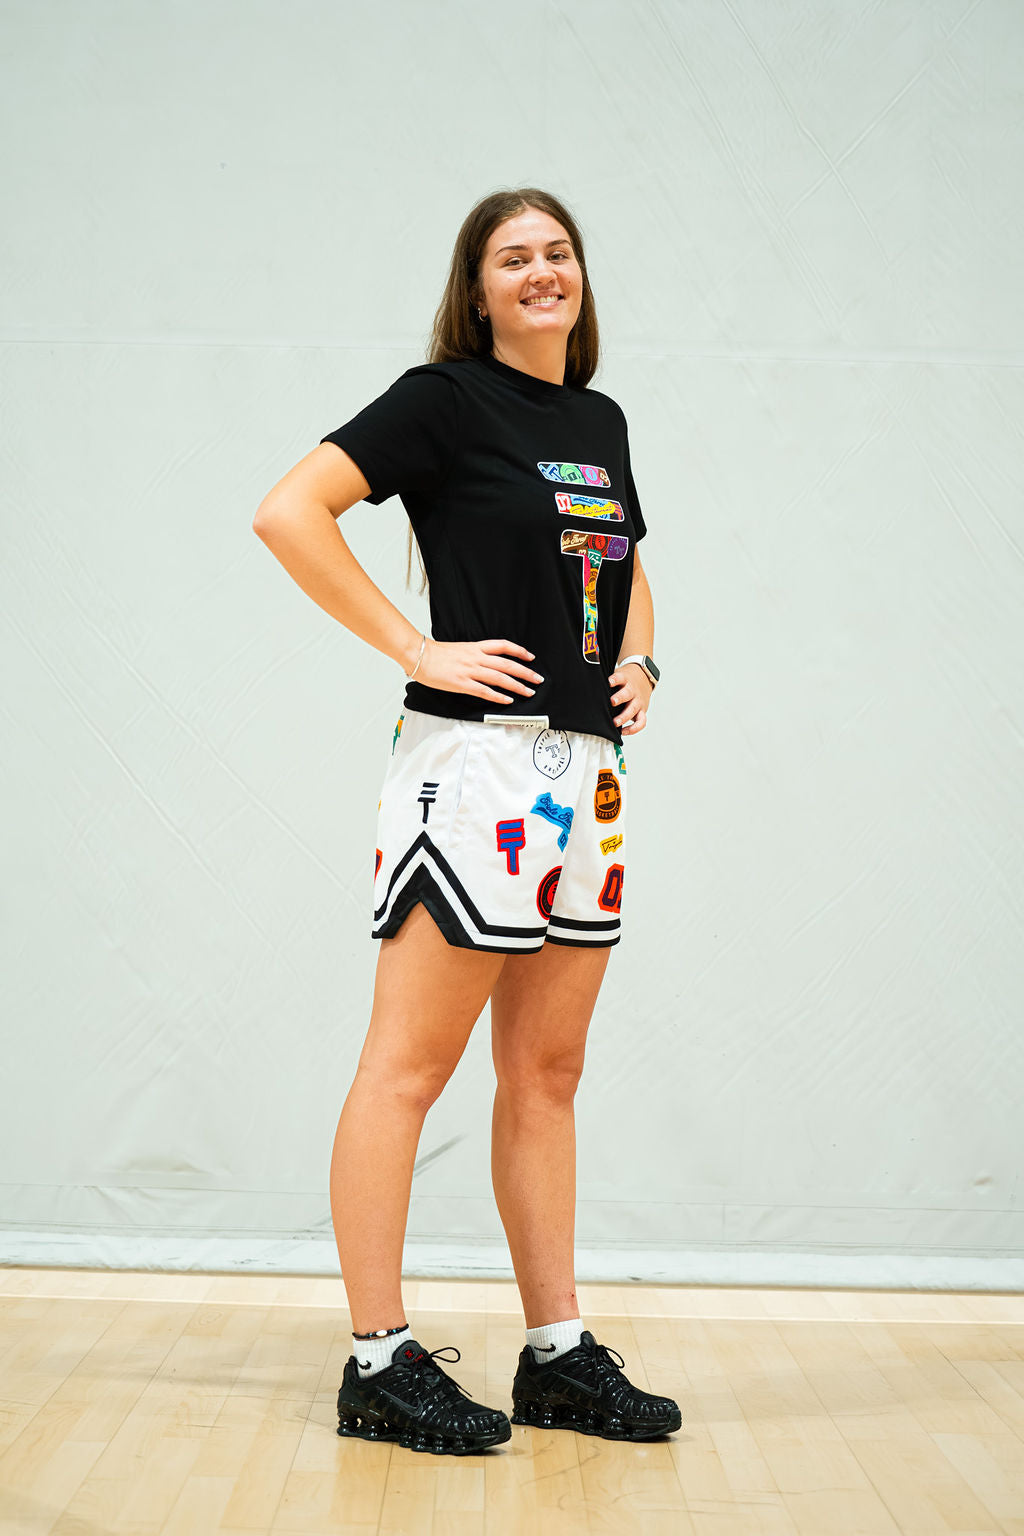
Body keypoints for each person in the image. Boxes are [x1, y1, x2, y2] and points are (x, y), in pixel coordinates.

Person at [253, 187, 680, 1457]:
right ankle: (377, 1362)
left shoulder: (597, 419)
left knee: (546, 1075)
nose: (542, 272)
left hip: (584, 783)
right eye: (515, 258)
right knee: (409, 1066)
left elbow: (628, 569)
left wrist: (644, 665)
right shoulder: (443, 398)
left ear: (580, 278)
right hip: (472, 775)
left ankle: (554, 1355)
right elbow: (289, 510)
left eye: (559, 253)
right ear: (479, 287)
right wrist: (415, 646)